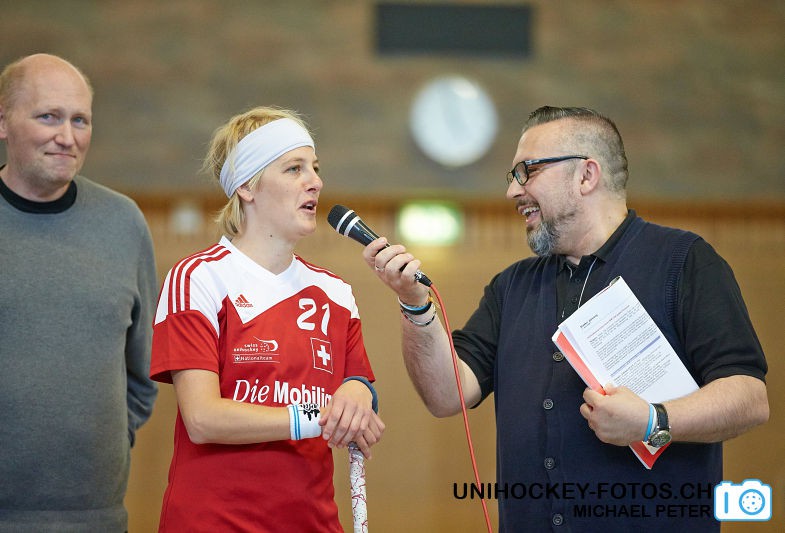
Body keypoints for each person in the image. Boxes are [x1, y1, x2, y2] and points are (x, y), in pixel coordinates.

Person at [362, 106, 768, 532]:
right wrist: (415, 305)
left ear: (586, 176)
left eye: (528, 171)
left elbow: (749, 397)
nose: (512, 191)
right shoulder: (512, 287)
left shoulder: (683, 262)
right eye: (512, 176)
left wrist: (654, 420)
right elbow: (446, 396)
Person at [150, 106, 384, 532]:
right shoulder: (198, 277)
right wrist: (318, 415)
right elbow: (202, 419)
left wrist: (358, 396)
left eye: (314, 168)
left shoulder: (335, 292)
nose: (315, 182)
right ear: (246, 186)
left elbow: (357, 387)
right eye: (294, 168)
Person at [0, 54, 158, 531]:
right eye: (48, 116)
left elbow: (144, 372)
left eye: (80, 120)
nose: (67, 137)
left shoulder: (123, 223)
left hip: (95, 516)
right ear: (3, 123)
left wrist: (110, 444)